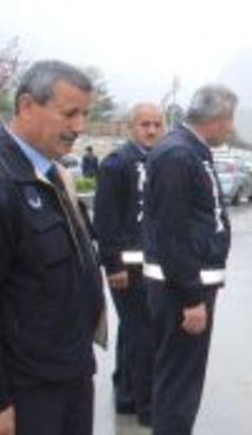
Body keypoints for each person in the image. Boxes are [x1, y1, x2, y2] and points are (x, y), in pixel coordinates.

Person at [0, 60, 105, 434]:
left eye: (85, 114)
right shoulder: (2, 181)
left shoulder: (52, 174)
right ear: (27, 106)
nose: (79, 127)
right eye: (69, 113)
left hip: (71, 370)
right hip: (27, 388)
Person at [143, 85, 237, 434]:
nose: (230, 129)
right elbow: (172, 234)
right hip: (181, 289)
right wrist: (192, 298)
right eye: (229, 121)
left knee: (183, 377)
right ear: (215, 119)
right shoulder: (177, 156)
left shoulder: (190, 151)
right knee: (179, 381)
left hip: (190, 284)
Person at [93, 103, 165, 426]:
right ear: (130, 127)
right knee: (145, 336)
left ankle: (126, 396)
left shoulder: (154, 160)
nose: (151, 130)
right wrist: (113, 266)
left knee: (133, 334)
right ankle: (147, 410)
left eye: (156, 124)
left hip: (147, 268)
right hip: (125, 269)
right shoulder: (117, 164)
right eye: (144, 124)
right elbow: (105, 219)